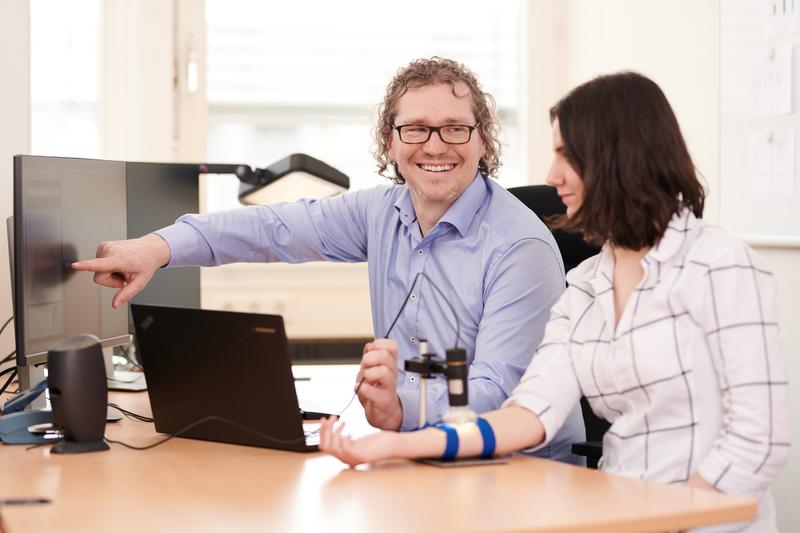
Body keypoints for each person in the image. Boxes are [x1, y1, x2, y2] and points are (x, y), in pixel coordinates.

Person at [318, 72, 790, 532]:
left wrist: (669, 520)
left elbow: (758, 441)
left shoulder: (722, 266)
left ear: (619, 159)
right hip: (619, 513)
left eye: (568, 155)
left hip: (706, 522)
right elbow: (528, 414)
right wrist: (395, 446)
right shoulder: (585, 285)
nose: (551, 175)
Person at [73, 57, 585, 464]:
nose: (435, 145)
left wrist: (401, 407)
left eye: (454, 129)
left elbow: (498, 394)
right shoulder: (382, 211)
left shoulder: (521, 248)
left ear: (481, 140)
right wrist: (157, 249)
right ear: (391, 141)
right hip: (423, 460)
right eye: (416, 129)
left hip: (523, 472)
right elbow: (271, 230)